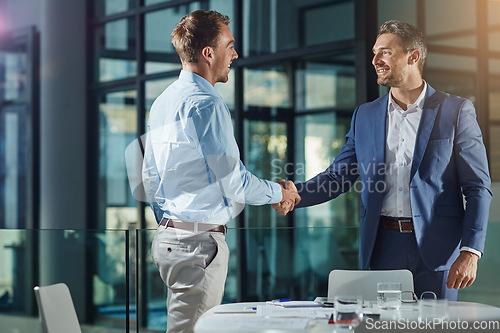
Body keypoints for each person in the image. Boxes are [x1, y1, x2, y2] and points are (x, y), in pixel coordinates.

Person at [274, 20, 491, 301]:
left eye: (385, 52)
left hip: (439, 249)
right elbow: (338, 176)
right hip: (382, 246)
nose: (375, 60)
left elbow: (478, 187)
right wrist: (296, 194)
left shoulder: (456, 111)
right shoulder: (365, 115)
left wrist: (470, 251)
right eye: (375, 52)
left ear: (413, 57)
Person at [142, 10, 300, 333]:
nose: (235, 54)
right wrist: (278, 193)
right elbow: (235, 183)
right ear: (208, 53)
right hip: (198, 246)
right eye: (229, 45)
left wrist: (172, 223)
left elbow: (150, 178)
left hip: (171, 240)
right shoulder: (207, 104)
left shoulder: (163, 102)